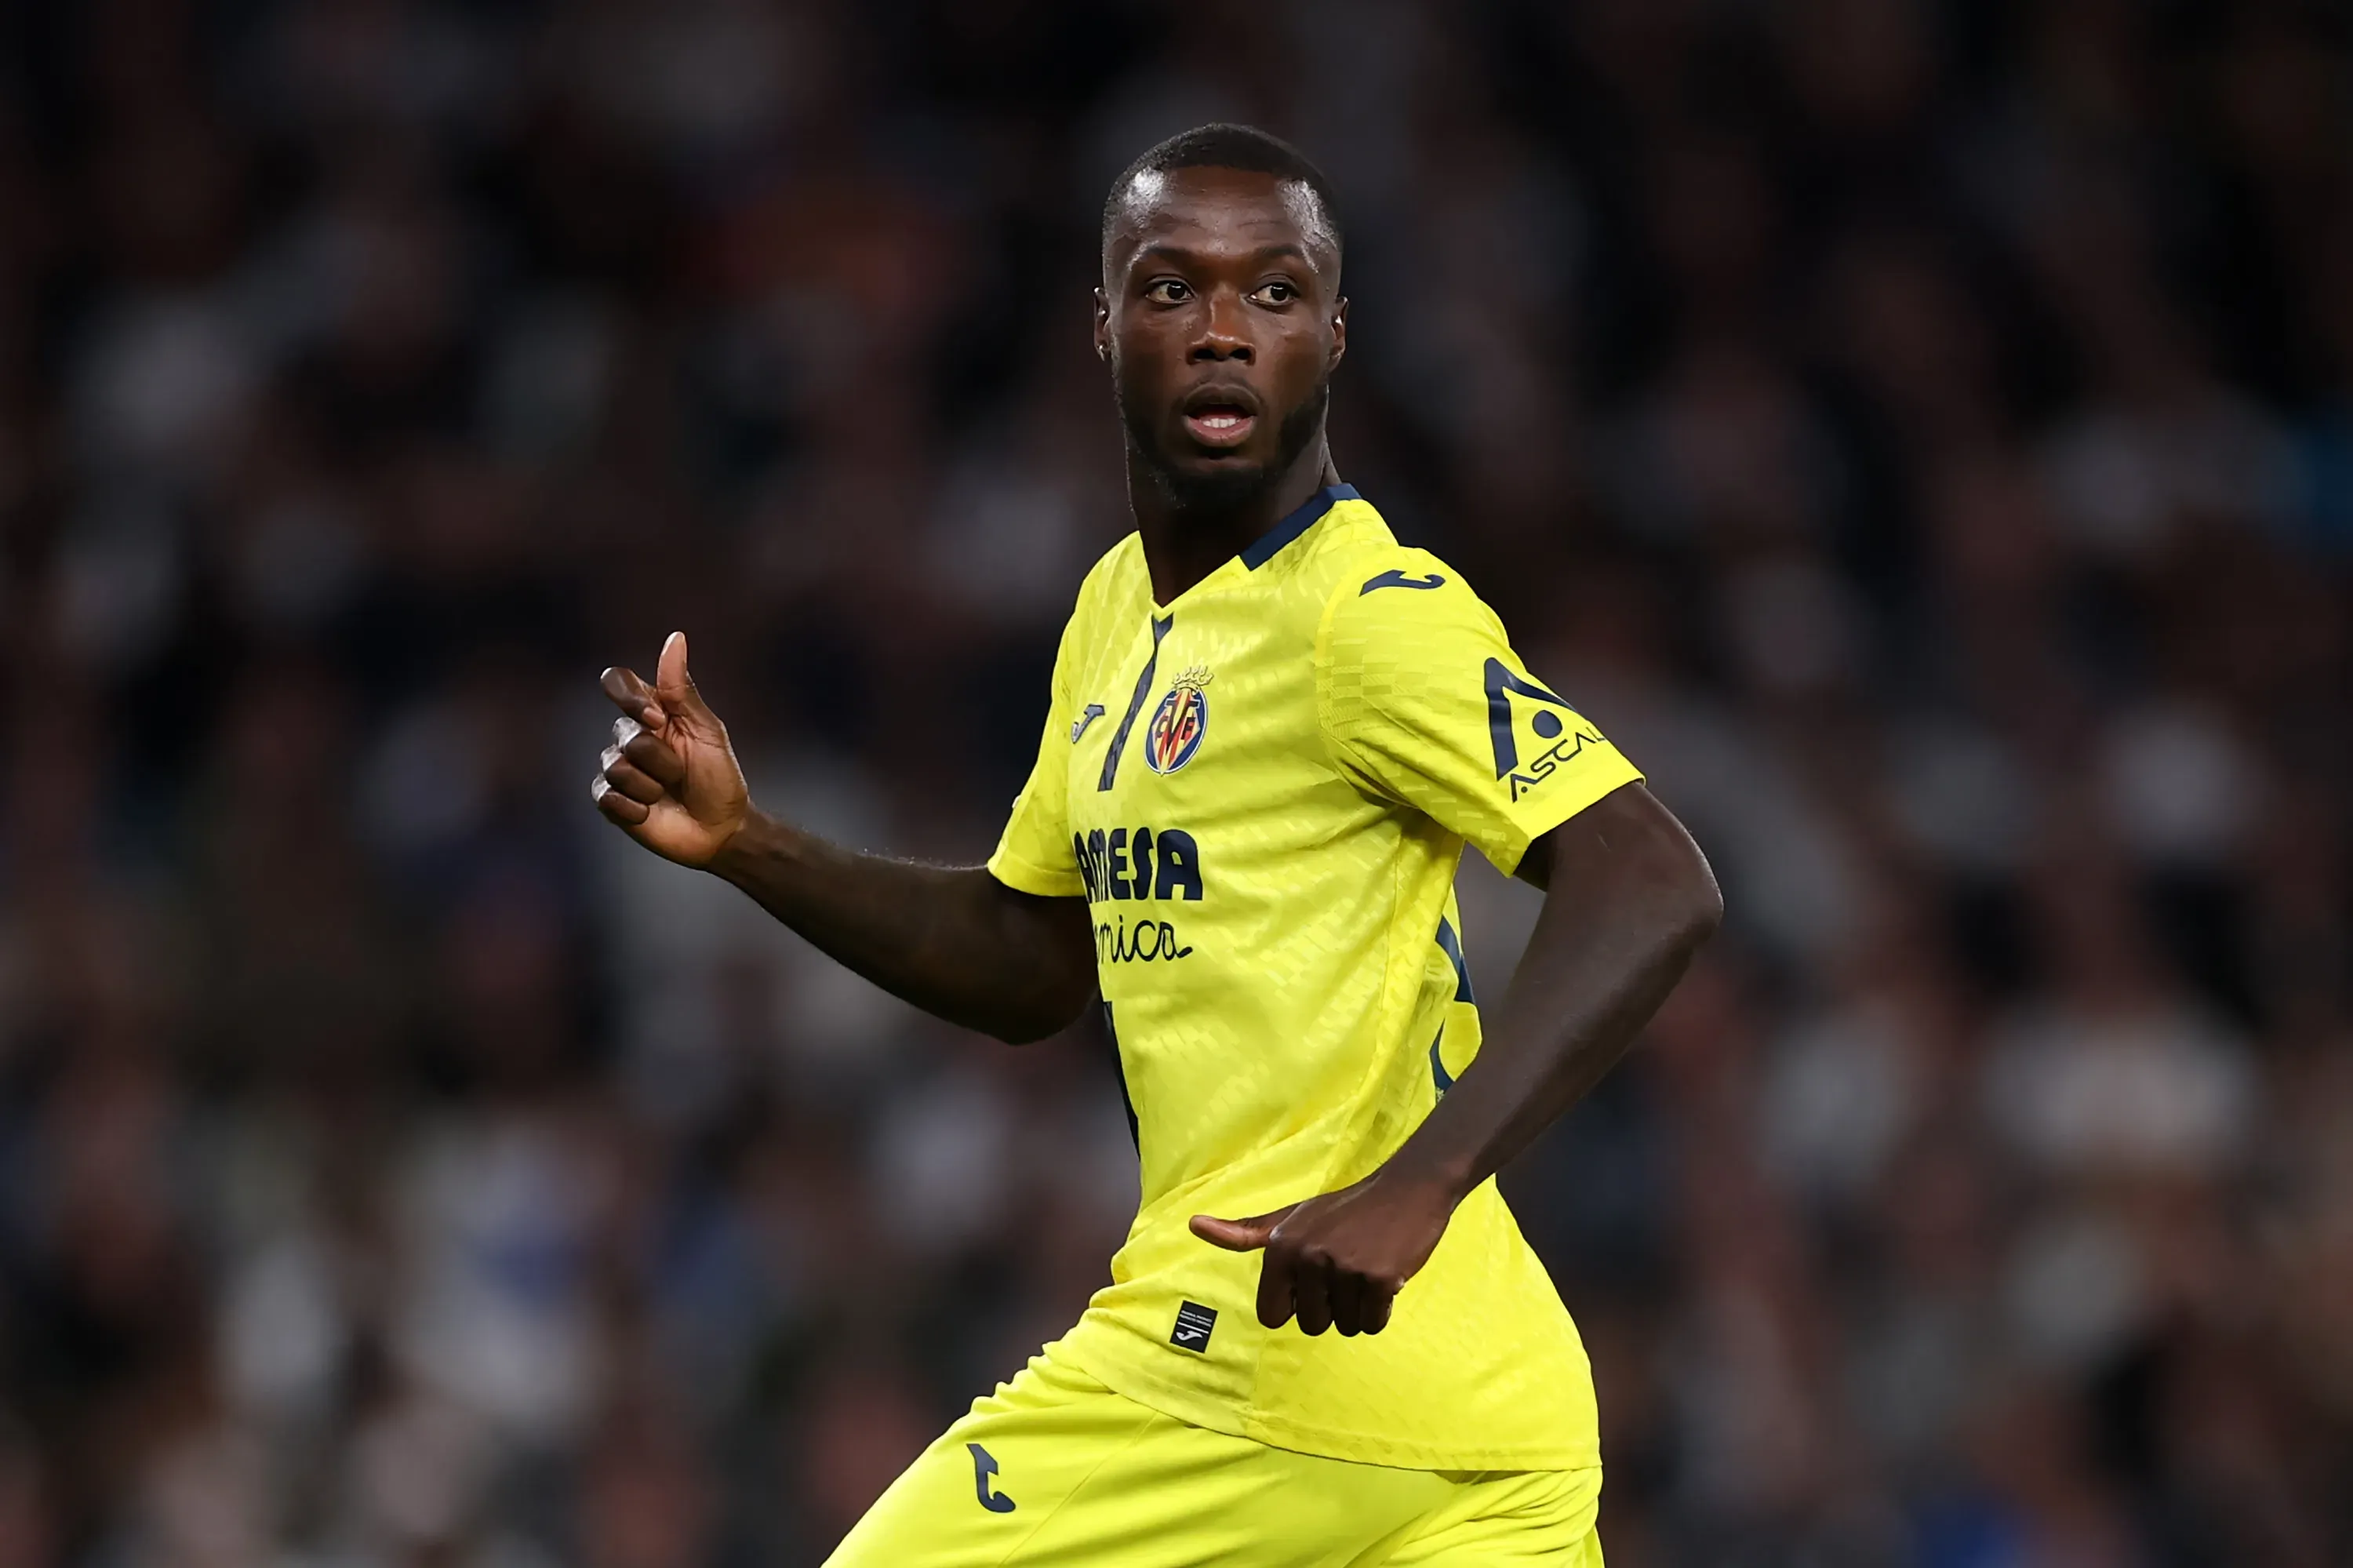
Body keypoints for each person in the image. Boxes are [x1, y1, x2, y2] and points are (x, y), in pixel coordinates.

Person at [591, 123, 1721, 1567]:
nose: (1224, 333)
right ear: (1107, 325)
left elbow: (1651, 875)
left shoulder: (1366, 614)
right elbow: (1035, 958)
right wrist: (752, 846)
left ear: (1336, 333)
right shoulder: (1117, 613)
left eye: (1276, 292)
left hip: (1275, 1369)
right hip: (1452, 1415)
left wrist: (1421, 1182)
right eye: (1175, 288)